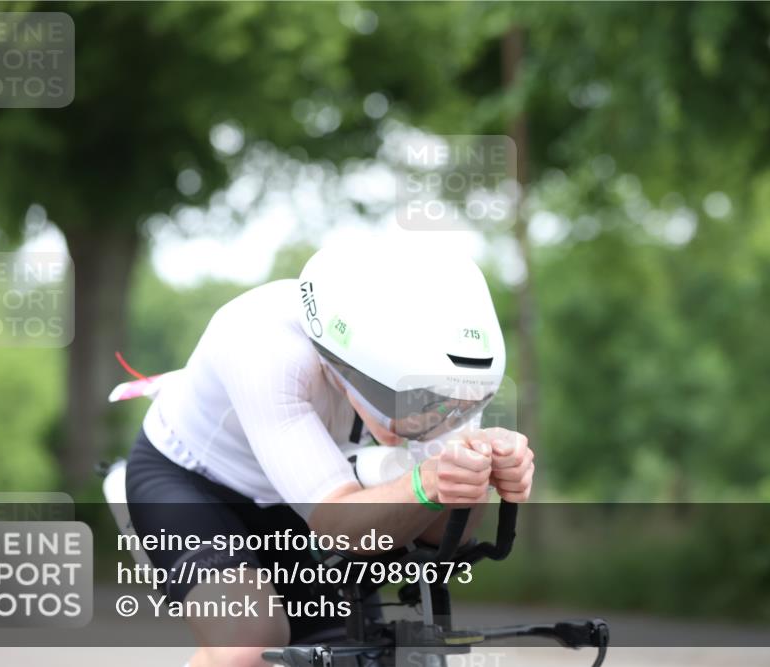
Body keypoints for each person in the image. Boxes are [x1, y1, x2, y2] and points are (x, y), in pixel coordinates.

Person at [125, 238, 535, 667]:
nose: (427, 421)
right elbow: (337, 524)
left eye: (446, 406)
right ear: (347, 366)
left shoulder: (442, 369)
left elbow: (442, 534)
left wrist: (476, 476)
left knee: (355, 651)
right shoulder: (260, 345)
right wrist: (426, 481)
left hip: (314, 485)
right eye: (413, 403)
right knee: (249, 646)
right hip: (194, 482)